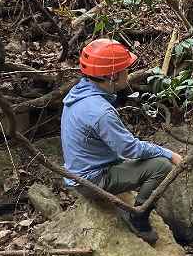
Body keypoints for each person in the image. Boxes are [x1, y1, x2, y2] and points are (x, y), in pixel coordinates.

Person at [61, 38, 182, 245]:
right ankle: (139, 216)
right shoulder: (100, 111)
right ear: (112, 75)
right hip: (91, 181)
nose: (128, 73)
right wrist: (169, 153)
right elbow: (131, 149)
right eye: (125, 69)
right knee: (162, 166)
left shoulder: (80, 92)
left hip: (79, 172)